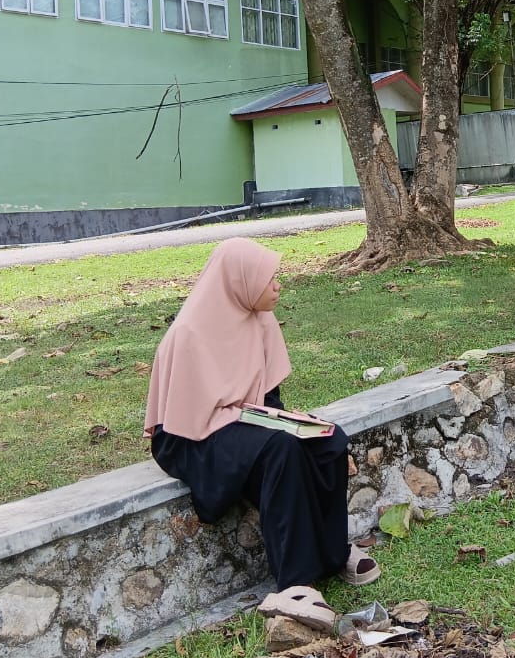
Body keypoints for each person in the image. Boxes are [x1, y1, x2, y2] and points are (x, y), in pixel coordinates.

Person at [145, 238, 373, 596]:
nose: (277, 286)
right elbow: (183, 421)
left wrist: (289, 421)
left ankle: (333, 553)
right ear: (241, 282)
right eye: (269, 279)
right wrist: (261, 426)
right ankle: (296, 583)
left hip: (244, 419)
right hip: (191, 437)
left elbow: (266, 395)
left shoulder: (260, 319)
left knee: (327, 440)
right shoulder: (189, 333)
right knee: (280, 449)